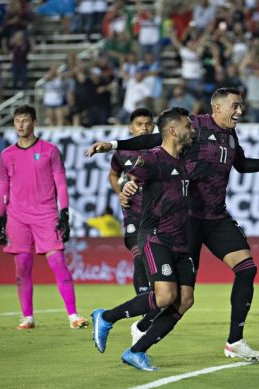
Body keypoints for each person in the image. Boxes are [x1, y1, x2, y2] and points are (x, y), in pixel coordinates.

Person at [87, 87, 259, 360]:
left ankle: (235, 341)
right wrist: (115, 145)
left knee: (246, 268)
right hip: (185, 220)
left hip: (215, 217)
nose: (240, 111)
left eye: (241, 106)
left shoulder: (230, 135)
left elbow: (242, 164)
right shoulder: (195, 126)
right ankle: (141, 325)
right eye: (235, 106)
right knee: (180, 297)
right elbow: (156, 139)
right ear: (218, 108)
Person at [91, 107, 196, 371]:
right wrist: (127, 188)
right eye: (188, 126)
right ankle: (106, 317)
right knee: (163, 297)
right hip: (156, 236)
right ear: (173, 130)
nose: (193, 130)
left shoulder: (187, 156)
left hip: (181, 238)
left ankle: (136, 351)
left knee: (184, 300)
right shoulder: (151, 159)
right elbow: (132, 179)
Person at [0, 105, 88, 330]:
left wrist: (64, 213)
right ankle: (28, 317)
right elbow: (3, 189)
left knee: (57, 262)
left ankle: (73, 315)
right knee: (22, 266)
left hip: (46, 215)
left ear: (34, 122)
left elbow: (61, 184)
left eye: (25, 120)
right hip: (17, 217)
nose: (21, 125)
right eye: (17, 121)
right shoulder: (7, 155)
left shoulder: (50, 151)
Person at [108, 108, 155, 295]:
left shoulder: (162, 150)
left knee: (156, 262)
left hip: (159, 216)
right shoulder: (122, 152)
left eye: (148, 124)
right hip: (133, 216)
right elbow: (113, 175)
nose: (144, 128)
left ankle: (156, 301)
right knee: (139, 257)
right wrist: (120, 191)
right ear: (130, 128)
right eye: (139, 124)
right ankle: (144, 305)